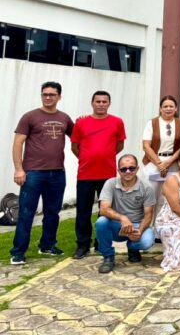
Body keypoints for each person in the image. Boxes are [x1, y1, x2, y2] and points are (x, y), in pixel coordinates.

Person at [10, 81, 74, 265]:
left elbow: (77, 136)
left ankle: (47, 245)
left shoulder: (64, 118)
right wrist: (18, 169)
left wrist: (85, 120)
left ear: (59, 97)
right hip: (33, 173)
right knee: (27, 213)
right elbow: (17, 143)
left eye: (52, 94)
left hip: (57, 173)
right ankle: (18, 252)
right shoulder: (29, 117)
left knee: (53, 212)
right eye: (45, 94)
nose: (48, 97)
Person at [71, 90, 126, 259]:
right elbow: (75, 146)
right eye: (98, 101)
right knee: (83, 211)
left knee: (105, 211)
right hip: (85, 174)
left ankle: (101, 243)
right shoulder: (81, 123)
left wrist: (104, 156)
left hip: (107, 175)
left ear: (109, 103)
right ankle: (83, 244)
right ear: (92, 103)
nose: (101, 104)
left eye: (104, 101)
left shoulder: (117, 122)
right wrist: (88, 158)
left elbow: (120, 145)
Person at [94, 154, 155, 273]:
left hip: (137, 225)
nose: (128, 171)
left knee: (147, 241)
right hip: (117, 226)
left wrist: (139, 232)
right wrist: (123, 218)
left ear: (137, 169)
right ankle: (108, 257)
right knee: (101, 222)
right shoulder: (110, 183)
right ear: (118, 171)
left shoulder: (147, 187)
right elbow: (103, 209)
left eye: (131, 168)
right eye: (123, 169)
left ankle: (132, 248)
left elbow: (148, 214)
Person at [141, 95, 180, 216]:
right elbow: (146, 146)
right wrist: (159, 164)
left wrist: (168, 163)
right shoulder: (152, 123)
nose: (168, 109)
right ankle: (147, 229)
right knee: (149, 198)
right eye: (165, 106)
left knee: (167, 199)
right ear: (160, 108)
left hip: (173, 164)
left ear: (176, 108)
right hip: (154, 163)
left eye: (171, 106)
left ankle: (161, 231)